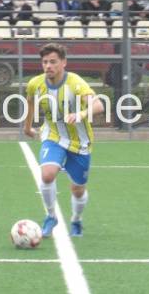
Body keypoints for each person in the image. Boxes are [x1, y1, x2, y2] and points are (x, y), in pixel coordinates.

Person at [23, 43, 105, 238]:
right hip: (53, 135)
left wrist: (81, 114)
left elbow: (99, 106)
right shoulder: (36, 84)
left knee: (78, 189)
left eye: (53, 62)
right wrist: (27, 127)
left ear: (63, 63)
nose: (48, 66)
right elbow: (30, 102)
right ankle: (51, 216)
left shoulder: (75, 83)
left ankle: (76, 219)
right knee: (47, 175)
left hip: (80, 142)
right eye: (45, 62)